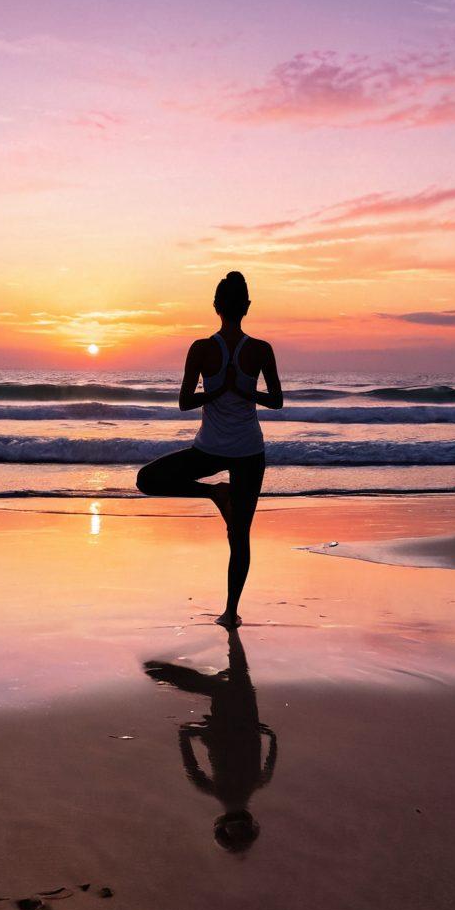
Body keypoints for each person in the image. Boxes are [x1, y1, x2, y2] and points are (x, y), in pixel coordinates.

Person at [135, 271, 283, 626]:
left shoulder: (202, 349)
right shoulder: (260, 350)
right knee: (240, 536)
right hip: (244, 451)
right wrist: (239, 391)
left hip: (221, 451)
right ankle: (231, 613)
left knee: (147, 480)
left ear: (216, 306)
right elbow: (276, 401)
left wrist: (219, 390)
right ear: (246, 306)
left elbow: (186, 401)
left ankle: (214, 494)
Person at [144, 629, 278, 853]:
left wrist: (269, 735)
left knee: (237, 674)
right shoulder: (214, 789)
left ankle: (228, 635)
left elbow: (272, 755)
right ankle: (162, 669)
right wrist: (186, 736)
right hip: (223, 730)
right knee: (222, 687)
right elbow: (191, 766)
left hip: (243, 724)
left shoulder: (256, 784)